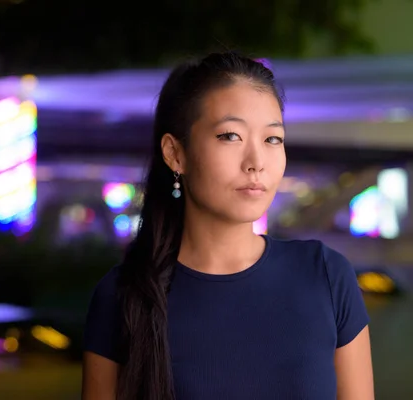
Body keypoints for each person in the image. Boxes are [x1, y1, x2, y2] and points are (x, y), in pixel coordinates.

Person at [81, 52, 374, 400]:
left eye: (272, 139)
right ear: (176, 154)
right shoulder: (124, 296)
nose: (256, 163)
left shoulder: (327, 276)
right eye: (230, 136)